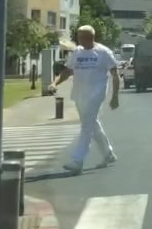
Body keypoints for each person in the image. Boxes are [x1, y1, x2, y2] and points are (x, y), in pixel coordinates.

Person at [48, 25, 120, 174]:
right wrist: (54, 83)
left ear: (90, 37)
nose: (79, 40)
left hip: (96, 94)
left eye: (81, 37)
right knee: (92, 125)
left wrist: (115, 96)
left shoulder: (103, 52)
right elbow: (68, 71)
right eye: (79, 37)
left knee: (87, 126)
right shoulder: (77, 52)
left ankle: (77, 161)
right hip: (80, 94)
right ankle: (108, 154)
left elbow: (115, 74)